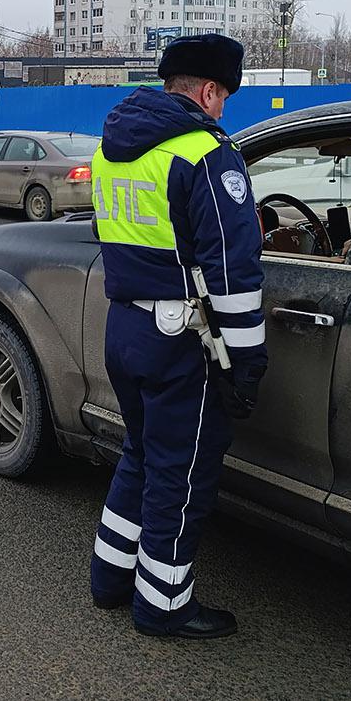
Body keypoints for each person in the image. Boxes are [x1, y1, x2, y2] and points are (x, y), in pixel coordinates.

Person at [87, 34, 267, 640]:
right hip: (179, 340)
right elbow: (231, 271)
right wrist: (247, 361)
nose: (224, 112)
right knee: (181, 473)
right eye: (225, 99)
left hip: (125, 326)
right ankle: (163, 606)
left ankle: (109, 578)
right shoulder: (205, 154)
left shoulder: (114, 149)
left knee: (140, 453)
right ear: (210, 90)